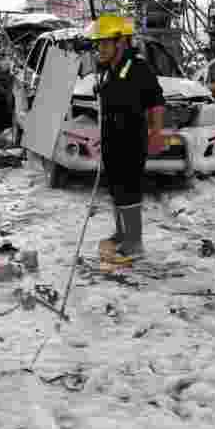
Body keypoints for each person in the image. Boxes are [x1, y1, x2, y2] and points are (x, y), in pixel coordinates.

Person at [86, 15, 165, 261]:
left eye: (105, 43)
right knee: (116, 190)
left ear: (121, 42)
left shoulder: (138, 68)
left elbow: (156, 102)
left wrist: (156, 133)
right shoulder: (109, 70)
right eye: (98, 44)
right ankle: (121, 234)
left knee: (128, 190)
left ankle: (135, 243)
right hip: (112, 138)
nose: (100, 48)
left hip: (131, 139)